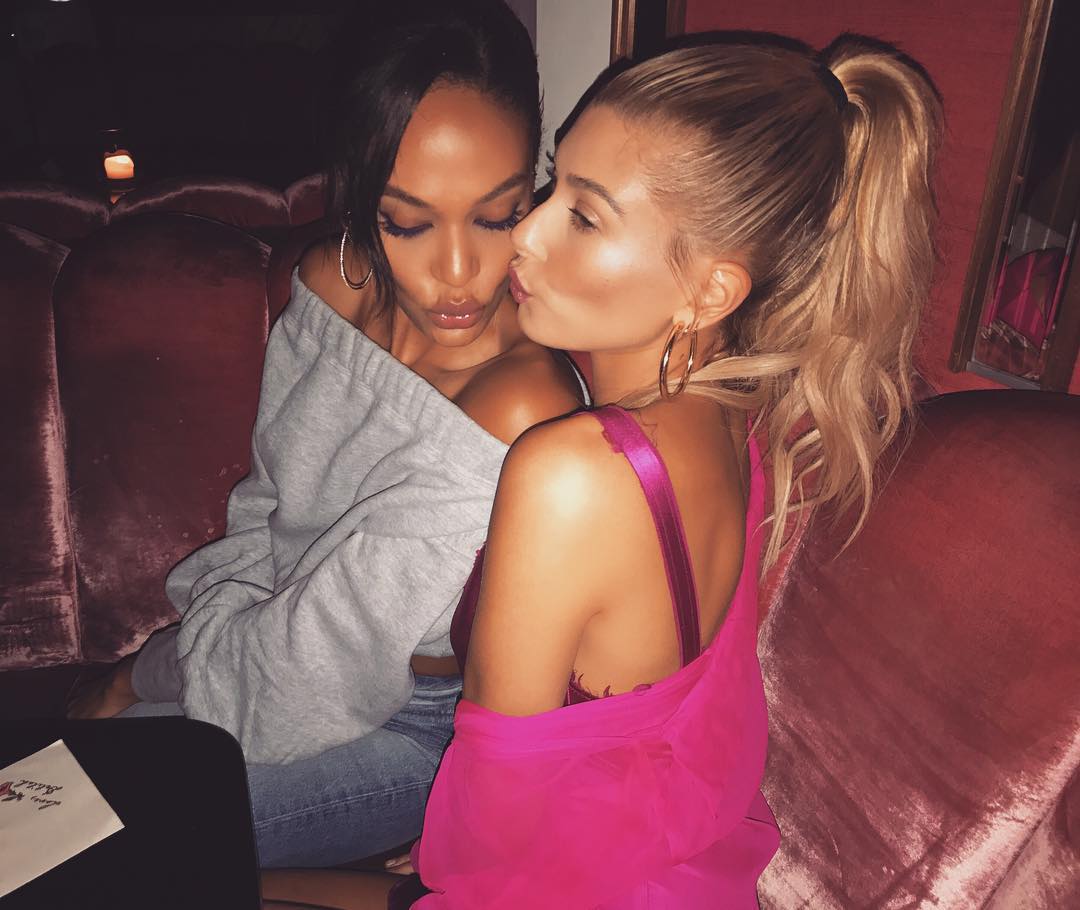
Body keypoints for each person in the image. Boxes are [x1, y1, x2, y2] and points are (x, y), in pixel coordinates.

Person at [260, 30, 942, 910]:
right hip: (648, 864)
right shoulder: (738, 417)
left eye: (583, 216)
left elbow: (493, 824)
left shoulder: (572, 474)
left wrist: (441, 847)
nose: (525, 233)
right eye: (552, 186)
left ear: (710, 291)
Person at [67, 0, 587, 867]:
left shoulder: (520, 404)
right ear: (357, 192)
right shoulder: (325, 285)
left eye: (498, 215)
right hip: (256, 648)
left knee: (90, 835)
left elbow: (324, 664)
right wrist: (202, 646)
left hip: (412, 729)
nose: (459, 274)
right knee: (47, 800)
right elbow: (265, 507)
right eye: (406, 221)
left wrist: (136, 675)